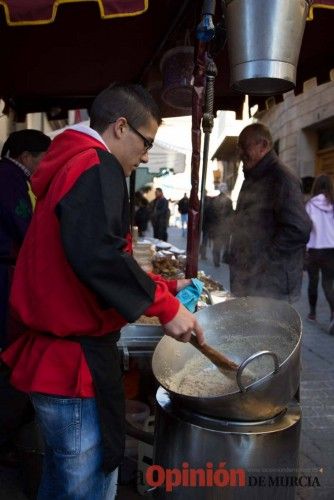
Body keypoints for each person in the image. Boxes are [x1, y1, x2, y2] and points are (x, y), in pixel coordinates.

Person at [0, 84, 204, 500]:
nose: (146, 155)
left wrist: (163, 286)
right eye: (146, 142)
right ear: (120, 127)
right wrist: (166, 307)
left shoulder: (71, 163)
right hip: (74, 366)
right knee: (82, 489)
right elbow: (98, 254)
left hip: (58, 358)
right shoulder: (95, 165)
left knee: (61, 484)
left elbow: (80, 256)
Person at [229, 123, 312, 302]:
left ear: (264, 146)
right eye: (239, 147)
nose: (241, 153)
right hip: (251, 281)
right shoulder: (253, 175)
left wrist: (263, 260)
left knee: (266, 331)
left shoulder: (283, 178)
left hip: (272, 286)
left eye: (245, 146)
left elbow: (299, 229)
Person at [0, 129, 51, 348]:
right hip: (4, 268)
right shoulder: (10, 177)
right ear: (26, 157)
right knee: (6, 332)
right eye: (44, 158)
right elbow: (24, 225)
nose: (47, 165)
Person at [305, 174, 334, 334]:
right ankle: (333, 313)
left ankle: (312, 313)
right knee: (328, 284)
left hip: (315, 249)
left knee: (313, 282)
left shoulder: (310, 204)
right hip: (331, 249)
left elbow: (306, 228)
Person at [209, 183, 233, 267]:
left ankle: (217, 261)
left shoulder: (214, 200)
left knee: (216, 246)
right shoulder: (229, 201)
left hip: (217, 227)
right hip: (225, 227)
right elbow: (231, 215)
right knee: (225, 245)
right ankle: (223, 258)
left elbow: (211, 215)